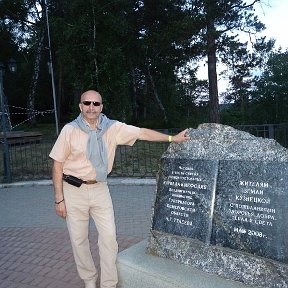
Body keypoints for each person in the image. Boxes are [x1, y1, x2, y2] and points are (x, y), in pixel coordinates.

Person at [49, 90, 190, 288]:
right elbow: (57, 164)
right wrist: (59, 199)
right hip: (73, 190)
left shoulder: (112, 128)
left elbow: (141, 133)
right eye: (87, 103)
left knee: (109, 238)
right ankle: (89, 281)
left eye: (96, 104)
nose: (91, 107)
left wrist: (171, 139)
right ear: (80, 106)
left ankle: (108, 284)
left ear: (101, 107)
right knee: (79, 240)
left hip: (100, 189)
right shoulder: (69, 130)